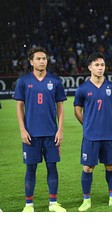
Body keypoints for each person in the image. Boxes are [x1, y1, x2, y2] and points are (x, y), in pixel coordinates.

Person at [14, 46, 67, 212]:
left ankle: (53, 203)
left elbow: (60, 108)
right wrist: (22, 130)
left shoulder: (55, 81)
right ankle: (29, 205)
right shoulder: (23, 81)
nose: (42, 61)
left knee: (52, 167)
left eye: (44, 58)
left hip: (51, 134)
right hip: (31, 134)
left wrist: (60, 130)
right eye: (38, 58)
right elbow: (19, 107)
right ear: (31, 61)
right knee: (31, 168)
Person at [74, 52, 112, 211]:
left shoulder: (111, 87)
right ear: (90, 67)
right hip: (91, 136)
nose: (100, 68)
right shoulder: (83, 89)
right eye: (97, 65)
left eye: (102, 65)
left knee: (111, 166)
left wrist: (108, 120)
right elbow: (77, 111)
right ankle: (86, 200)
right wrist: (88, 124)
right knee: (88, 168)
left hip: (108, 135)